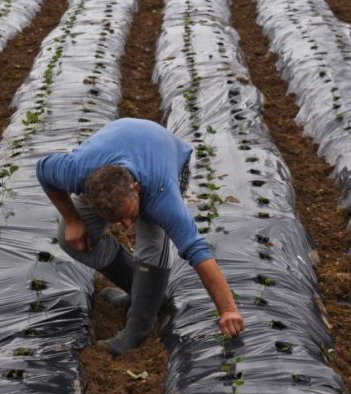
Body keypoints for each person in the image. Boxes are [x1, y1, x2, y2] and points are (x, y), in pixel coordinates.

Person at [36, 118, 245, 355]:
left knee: (152, 244)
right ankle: (143, 295)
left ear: (136, 189)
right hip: (113, 156)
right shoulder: (75, 171)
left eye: (128, 215)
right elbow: (43, 169)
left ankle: (139, 326)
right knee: (70, 238)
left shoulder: (162, 196)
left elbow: (198, 252)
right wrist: (73, 220)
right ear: (86, 191)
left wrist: (228, 309)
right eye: (117, 221)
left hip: (166, 159)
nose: (126, 226)